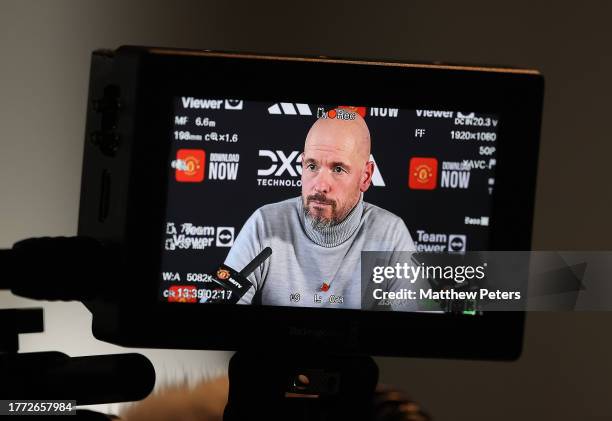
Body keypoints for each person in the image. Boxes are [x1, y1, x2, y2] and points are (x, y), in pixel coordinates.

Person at [224, 108, 418, 310]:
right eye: (312, 166)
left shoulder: (391, 235)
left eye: (338, 169)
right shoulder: (264, 224)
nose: (320, 185)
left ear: (366, 177)